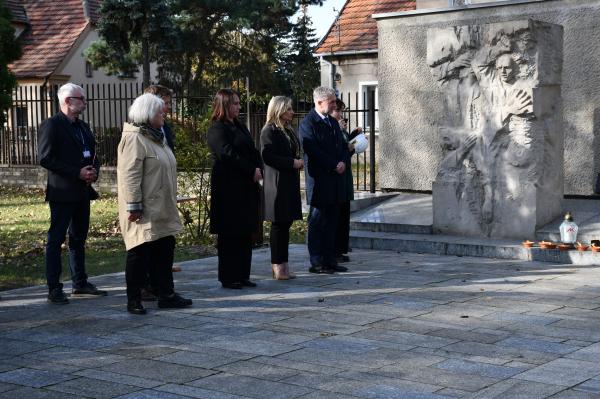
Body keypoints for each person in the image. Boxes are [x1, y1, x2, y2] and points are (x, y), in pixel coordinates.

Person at [117, 93, 192, 314]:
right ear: (148, 113)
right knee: (139, 252)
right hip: (144, 209)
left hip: (163, 206)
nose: (165, 113)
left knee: (165, 249)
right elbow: (129, 174)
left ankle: (166, 294)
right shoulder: (134, 138)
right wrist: (133, 205)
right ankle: (134, 300)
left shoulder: (157, 136)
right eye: (161, 110)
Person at [38, 82, 107, 304]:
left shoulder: (83, 127)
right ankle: (54, 288)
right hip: (62, 192)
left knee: (78, 238)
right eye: (81, 99)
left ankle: (80, 283)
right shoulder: (53, 125)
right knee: (56, 239)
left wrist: (93, 171)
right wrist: (76, 172)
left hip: (82, 191)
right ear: (68, 101)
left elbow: (95, 154)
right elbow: (45, 158)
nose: (85, 103)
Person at [207, 89, 263, 289]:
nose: (239, 107)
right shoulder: (217, 128)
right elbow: (227, 154)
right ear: (224, 105)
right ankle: (229, 276)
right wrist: (250, 170)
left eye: (239, 103)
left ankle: (242, 274)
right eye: (235, 104)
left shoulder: (239, 125)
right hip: (229, 189)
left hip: (246, 187)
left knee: (244, 231)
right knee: (230, 233)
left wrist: (258, 167)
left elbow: (252, 149)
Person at [300, 87, 351, 274]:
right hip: (320, 181)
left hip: (335, 180)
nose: (334, 104)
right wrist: (333, 164)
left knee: (332, 221)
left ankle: (330, 260)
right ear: (320, 102)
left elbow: (343, 146)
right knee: (318, 221)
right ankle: (317, 261)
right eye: (331, 101)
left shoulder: (332, 122)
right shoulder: (308, 123)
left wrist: (343, 161)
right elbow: (313, 150)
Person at [260, 96, 303, 280]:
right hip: (277, 183)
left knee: (286, 223)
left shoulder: (287, 130)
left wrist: (296, 162)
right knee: (279, 224)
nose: (292, 112)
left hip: (288, 181)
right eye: (288, 109)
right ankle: (277, 265)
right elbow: (267, 156)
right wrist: (291, 162)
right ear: (278, 110)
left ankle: (284, 265)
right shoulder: (269, 130)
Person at [141, 84, 177, 301]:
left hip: (166, 192)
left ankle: (159, 284)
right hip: (150, 195)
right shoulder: (140, 132)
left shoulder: (165, 128)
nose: (169, 107)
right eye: (165, 103)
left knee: (164, 241)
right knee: (147, 242)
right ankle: (143, 285)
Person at [330, 99, 363, 263]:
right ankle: (334, 249)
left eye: (341, 111)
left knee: (344, 214)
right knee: (337, 215)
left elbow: (346, 148)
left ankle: (341, 248)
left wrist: (353, 136)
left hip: (346, 175)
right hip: (338, 176)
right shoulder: (332, 129)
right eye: (338, 111)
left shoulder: (340, 129)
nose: (341, 115)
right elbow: (339, 150)